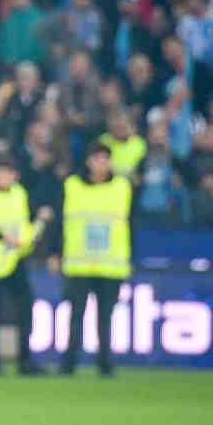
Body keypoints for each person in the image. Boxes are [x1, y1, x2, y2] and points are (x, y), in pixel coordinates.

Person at [49, 142, 131, 376]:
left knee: (105, 319)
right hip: (79, 264)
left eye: (105, 159)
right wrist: (55, 252)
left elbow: (130, 224)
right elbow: (59, 222)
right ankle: (68, 364)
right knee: (76, 317)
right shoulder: (71, 186)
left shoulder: (122, 187)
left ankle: (105, 364)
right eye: (97, 158)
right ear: (88, 161)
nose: (101, 164)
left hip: (110, 266)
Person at [0, 156, 49, 377]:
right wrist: (2, 237)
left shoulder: (19, 194)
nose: (3, 177)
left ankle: (25, 359)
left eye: (7, 173)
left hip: (15, 259)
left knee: (25, 307)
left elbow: (24, 226)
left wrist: (38, 225)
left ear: (15, 176)